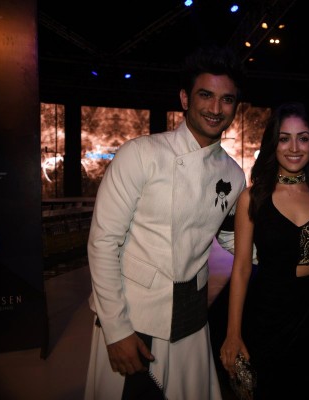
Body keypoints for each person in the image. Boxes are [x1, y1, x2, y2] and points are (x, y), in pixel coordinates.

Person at [84, 44, 247, 400]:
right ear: (185, 98)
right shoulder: (140, 154)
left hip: (191, 318)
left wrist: (283, 248)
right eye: (205, 95)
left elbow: (231, 237)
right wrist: (116, 329)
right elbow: (103, 242)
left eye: (227, 99)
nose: (216, 109)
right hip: (133, 317)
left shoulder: (234, 175)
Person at [219, 102, 309, 399]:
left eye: (303, 138)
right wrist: (233, 333)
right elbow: (241, 268)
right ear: (273, 144)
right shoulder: (253, 198)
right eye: (284, 138)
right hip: (270, 313)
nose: (294, 148)